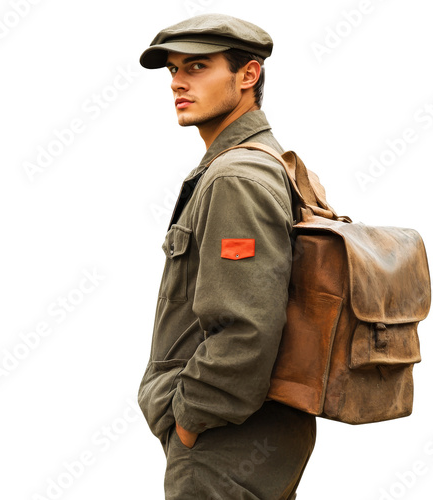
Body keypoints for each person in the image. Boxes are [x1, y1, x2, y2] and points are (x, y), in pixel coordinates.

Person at [138, 13, 316, 500]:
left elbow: (246, 328)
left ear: (248, 75)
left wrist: (189, 420)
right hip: (255, 434)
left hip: (224, 443)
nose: (177, 82)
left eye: (197, 67)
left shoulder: (235, 176)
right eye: (173, 69)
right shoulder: (270, 160)